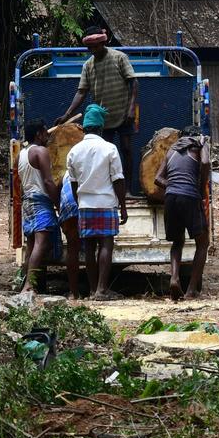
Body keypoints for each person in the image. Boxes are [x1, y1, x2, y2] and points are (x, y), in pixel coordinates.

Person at [55, 27, 138, 191]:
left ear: (103, 42)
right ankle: (109, 189)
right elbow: (81, 91)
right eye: (90, 47)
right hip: (102, 118)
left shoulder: (119, 57)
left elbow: (133, 83)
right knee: (104, 155)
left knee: (127, 149)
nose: (93, 50)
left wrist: (131, 109)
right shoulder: (88, 65)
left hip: (123, 113)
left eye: (96, 46)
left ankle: (128, 190)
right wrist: (67, 114)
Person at [65, 104, 128, 301]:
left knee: (90, 248)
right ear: (101, 128)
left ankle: (93, 290)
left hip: (85, 204)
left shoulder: (74, 151)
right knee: (106, 244)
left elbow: (73, 183)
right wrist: (123, 205)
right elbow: (118, 180)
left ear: (84, 128)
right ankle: (102, 290)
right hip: (106, 202)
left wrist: (80, 202)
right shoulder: (110, 148)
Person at [154, 126, 211, 301]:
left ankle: (174, 278)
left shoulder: (172, 150)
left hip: (171, 197)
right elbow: (205, 163)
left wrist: (173, 185)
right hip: (190, 196)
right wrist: (204, 145)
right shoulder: (198, 147)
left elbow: (157, 178)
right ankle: (191, 289)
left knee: (177, 242)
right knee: (203, 243)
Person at [18, 120, 61, 293]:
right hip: (40, 201)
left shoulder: (21, 154)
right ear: (38, 134)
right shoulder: (40, 151)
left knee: (31, 245)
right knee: (41, 243)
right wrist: (58, 204)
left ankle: (25, 283)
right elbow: (48, 181)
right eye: (45, 132)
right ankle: (29, 285)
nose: (47, 135)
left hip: (27, 200)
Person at [58, 173, 82, 299]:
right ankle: (96, 290)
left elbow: (58, 189)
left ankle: (74, 292)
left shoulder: (67, 173)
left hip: (69, 206)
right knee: (92, 245)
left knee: (72, 248)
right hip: (86, 202)